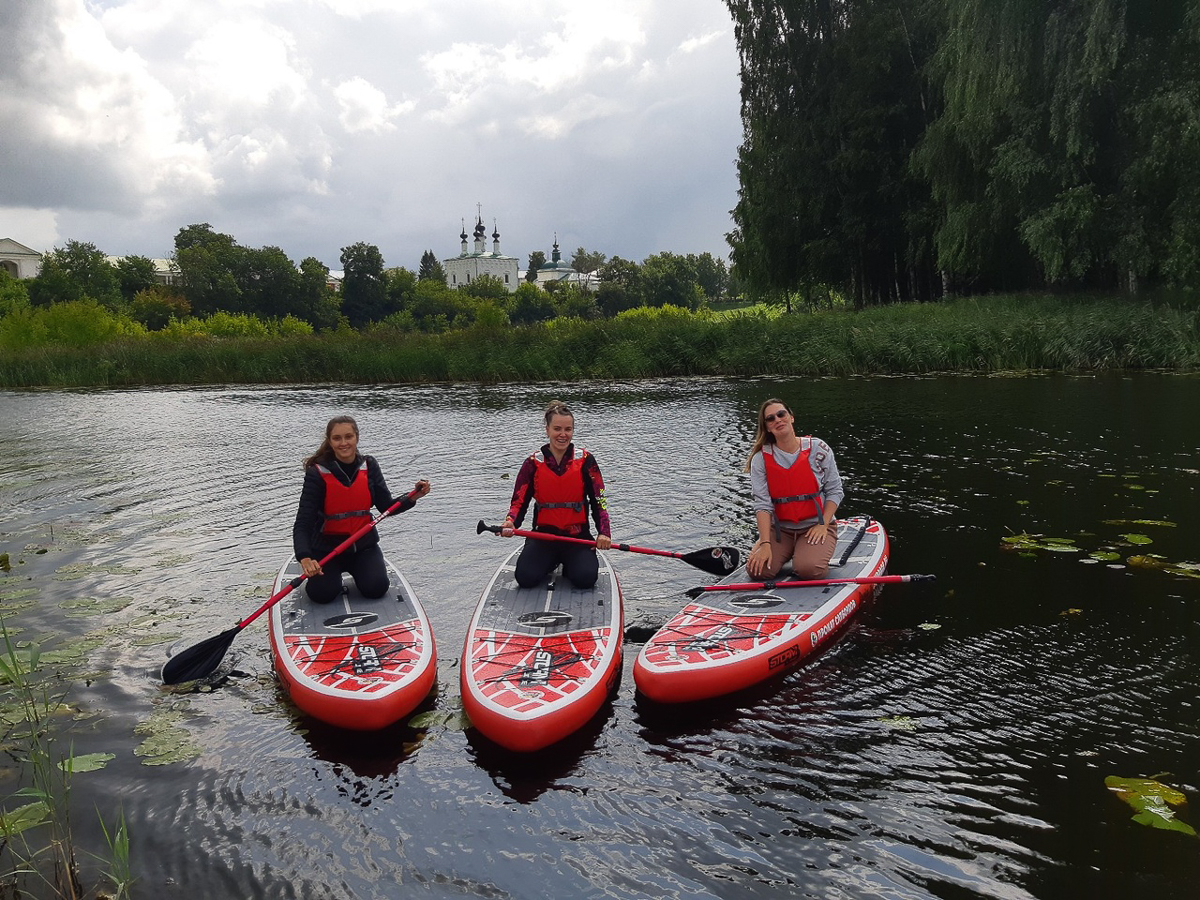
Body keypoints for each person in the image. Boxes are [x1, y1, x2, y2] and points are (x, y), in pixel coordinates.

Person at [292, 415, 430, 604]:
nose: (343, 443)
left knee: (376, 589)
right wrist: (305, 557)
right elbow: (303, 521)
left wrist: (413, 497)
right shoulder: (317, 473)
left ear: (357, 437)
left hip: (363, 547)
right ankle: (327, 578)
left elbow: (386, 507)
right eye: (337, 438)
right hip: (326, 550)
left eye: (348, 437)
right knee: (322, 595)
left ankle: (362, 572)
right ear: (330, 441)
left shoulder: (369, 465)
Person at [499, 400, 612, 589]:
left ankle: (571, 564)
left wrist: (604, 533)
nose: (563, 434)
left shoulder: (586, 461)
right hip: (543, 537)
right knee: (525, 579)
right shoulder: (532, 463)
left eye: (568, 429)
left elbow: (600, 501)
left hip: (577, 536)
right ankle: (549, 561)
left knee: (585, 579)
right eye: (557, 428)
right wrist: (511, 521)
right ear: (547, 430)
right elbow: (519, 501)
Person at [745, 398, 844, 580]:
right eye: (770, 418)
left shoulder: (819, 449)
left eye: (781, 414)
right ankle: (778, 548)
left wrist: (823, 524)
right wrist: (765, 543)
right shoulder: (761, 459)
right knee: (758, 571)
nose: (777, 420)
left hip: (815, 525)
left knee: (809, 570)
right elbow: (762, 504)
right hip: (781, 530)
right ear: (767, 427)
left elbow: (835, 490)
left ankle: (805, 551)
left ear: (791, 417)